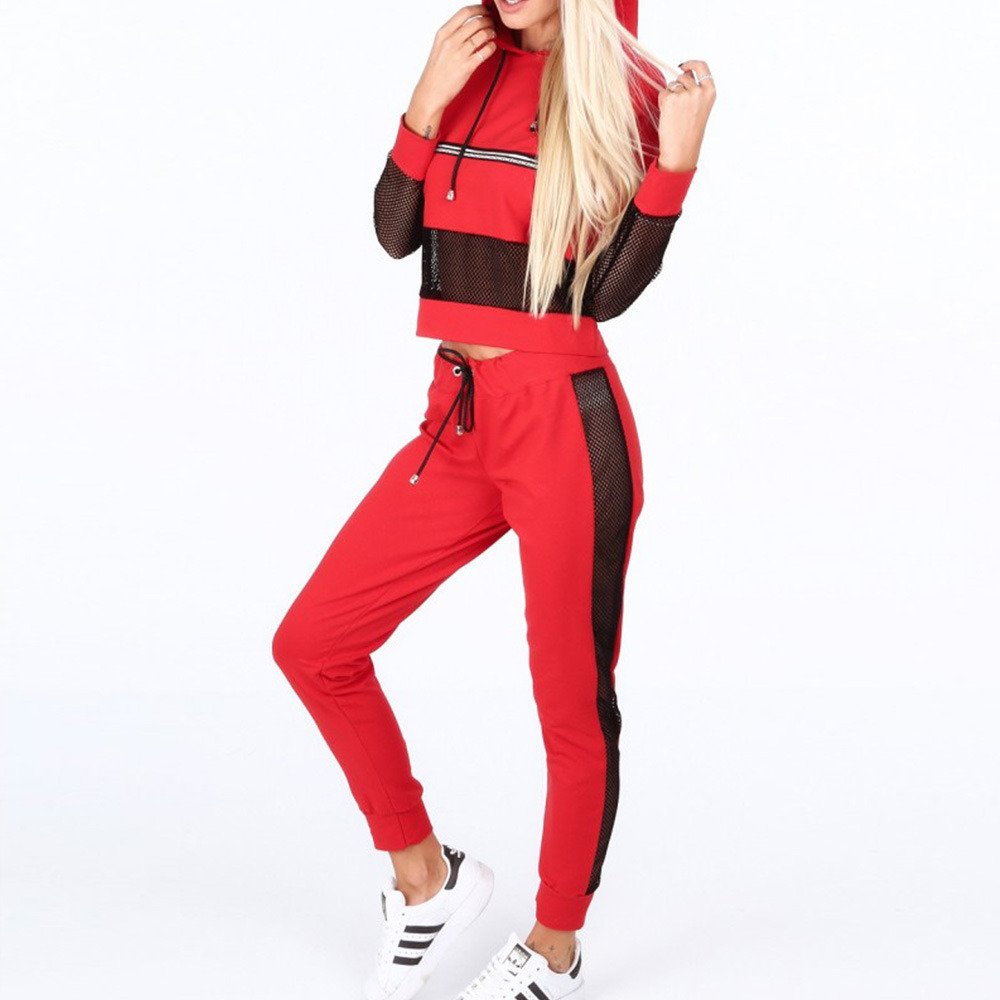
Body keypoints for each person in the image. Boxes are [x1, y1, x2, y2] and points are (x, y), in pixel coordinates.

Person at [271, 1, 715, 997]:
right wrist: (424, 100)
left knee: (570, 699)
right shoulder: (467, 57)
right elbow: (396, 233)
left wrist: (677, 165)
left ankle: (556, 947)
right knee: (314, 643)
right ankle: (425, 879)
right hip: (459, 415)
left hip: (563, 422)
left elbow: (605, 294)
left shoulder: (630, 85)